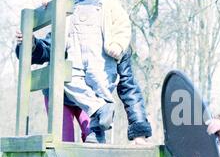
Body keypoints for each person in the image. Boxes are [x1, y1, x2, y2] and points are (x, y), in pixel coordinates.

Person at [15, 31, 152, 144]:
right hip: (60, 95)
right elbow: (47, 48)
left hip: (91, 100)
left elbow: (129, 88)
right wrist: (33, 46)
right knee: (64, 142)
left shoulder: (120, 44)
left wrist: (139, 133)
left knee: (94, 138)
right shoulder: (72, 29)